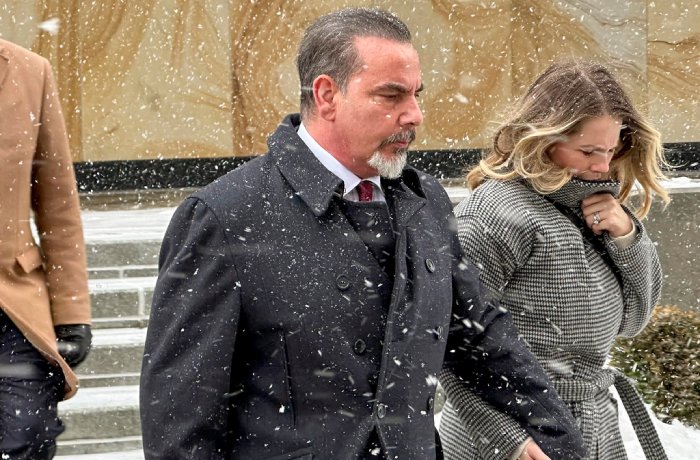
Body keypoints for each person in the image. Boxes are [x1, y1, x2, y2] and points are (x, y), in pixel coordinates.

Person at [140, 8, 586, 460]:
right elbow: (181, 422)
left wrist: (561, 442)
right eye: (391, 95)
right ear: (327, 95)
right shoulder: (225, 216)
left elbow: (480, 338)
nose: (414, 115)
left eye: (416, 94)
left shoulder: (426, 201)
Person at [438, 60, 671, 460]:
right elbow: (449, 341)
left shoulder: (598, 207)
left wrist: (627, 237)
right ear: (543, 140)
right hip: (511, 432)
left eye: (611, 149)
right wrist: (509, 441)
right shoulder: (496, 212)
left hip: (593, 428)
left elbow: (634, 321)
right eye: (588, 151)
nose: (602, 165)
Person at [0, 38, 92, 459]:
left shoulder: (29, 71)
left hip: (12, 304)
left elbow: (58, 206)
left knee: (29, 432)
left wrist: (72, 313)